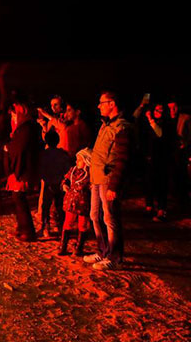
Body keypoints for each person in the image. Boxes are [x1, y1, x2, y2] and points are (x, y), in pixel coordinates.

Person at [86, 91, 132, 271]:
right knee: (94, 215)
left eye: (102, 102)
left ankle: (114, 256)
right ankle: (103, 250)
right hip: (97, 179)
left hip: (108, 180)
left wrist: (114, 185)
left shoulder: (121, 128)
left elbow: (122, 159)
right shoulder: (105, 125)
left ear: (112, 104)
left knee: (110, 218)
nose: (99, 106)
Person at [5, 97, 43, 242]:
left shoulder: (26, 128)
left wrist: (9, 148)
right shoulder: (23, 127)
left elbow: (20, 148)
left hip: (23, 169)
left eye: (14, 114)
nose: (13, 118)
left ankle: (27, 231)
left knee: (20, 199)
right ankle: (22, 228)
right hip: (21, 168)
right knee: (18, 199)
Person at [142, 103, 174, 221]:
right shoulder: (150, 124)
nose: (157, 112)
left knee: (161, 184)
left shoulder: (166, 124)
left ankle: (161, 209)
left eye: (160, 110)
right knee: (149, 183)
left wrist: (150, 119)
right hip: (152, 159)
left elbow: (160, 134)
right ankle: (149, 206)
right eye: (156, 110)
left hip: (162, 159)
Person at [37, 131, 72, 237]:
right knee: (59, 206)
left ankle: (45, 227)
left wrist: (44, 178)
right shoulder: (62, 154)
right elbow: (68, 167)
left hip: (49, 183)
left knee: (46, 206)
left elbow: (41, 168)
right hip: (59, 183)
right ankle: (60, 227)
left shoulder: (44, 154)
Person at [59, 148, 92, 256]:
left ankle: (79, 248)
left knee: (82, 225)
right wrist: (64, 184)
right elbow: (66, 179)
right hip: (71, 201)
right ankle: (63, 246)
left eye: (80, 160)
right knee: (68, 222)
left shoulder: (89, 174)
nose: (77, 161)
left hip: (83, 203)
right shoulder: (73, 170)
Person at [168, 98, 190, 211]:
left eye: (174, 107)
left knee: (182, 175)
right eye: (170, 107)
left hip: (181, 151)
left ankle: (183, 200)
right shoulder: (166, 118)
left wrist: (185, 144)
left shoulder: (185, 118)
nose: (172, 110)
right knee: (172, 175)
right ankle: (175, 199)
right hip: (169, 150)